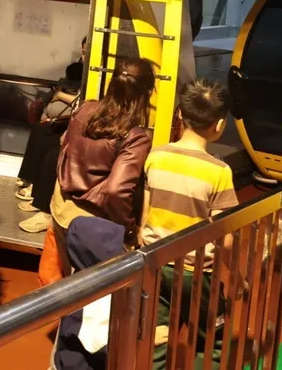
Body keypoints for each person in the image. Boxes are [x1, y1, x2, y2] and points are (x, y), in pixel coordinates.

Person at [139, 79, 237, 369]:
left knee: (157, 338)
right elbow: (224, 237)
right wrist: (237, 275)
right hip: (197, 273)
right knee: (212, 340)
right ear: (220, 125)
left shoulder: (156, 156)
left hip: (156, 264)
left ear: (180, 114)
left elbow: (145, 214)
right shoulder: (219, 172)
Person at [49, 57, 155, 252]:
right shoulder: (135, 137)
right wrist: (130, 229)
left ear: (112, 82)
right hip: (95, 225)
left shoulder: (84, 109)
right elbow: (116, 190)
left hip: (62, 208)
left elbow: (64, 148)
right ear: (146, 93)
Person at [18, 60, 84, 233]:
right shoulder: (64, 82)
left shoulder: (89, 82)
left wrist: (61, 96)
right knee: (39, 132)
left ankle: (45, 210)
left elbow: (81, 106)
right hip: (64, 123)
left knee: (52, 155)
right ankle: (32, 184)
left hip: (75, 127)